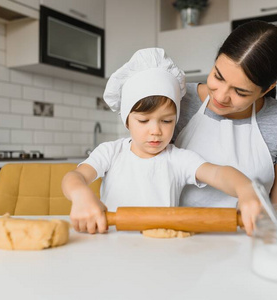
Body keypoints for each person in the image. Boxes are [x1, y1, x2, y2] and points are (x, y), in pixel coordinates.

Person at [62, 48, 260, 236]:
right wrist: (81, 195)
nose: (156, 131)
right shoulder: (111, 153)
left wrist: (246, 189)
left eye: (166, 121)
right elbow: (74, 177)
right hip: (111, 243)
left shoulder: (178, 159)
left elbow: (219, 173)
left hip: (162, 249)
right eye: (143, 120)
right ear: (127, 120)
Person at [173, 20, 277, 208]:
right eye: (218, 76)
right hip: (177, 233)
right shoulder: (178, 101)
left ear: (267, 89)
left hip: (250, 235)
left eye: (240, 92)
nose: (221, 96)